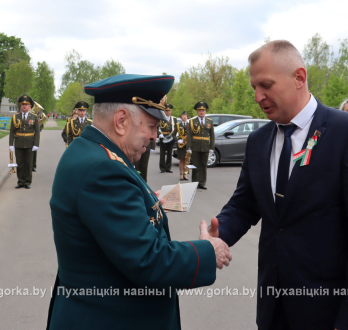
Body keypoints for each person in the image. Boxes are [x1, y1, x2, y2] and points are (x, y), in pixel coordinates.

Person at [209, 40, 348, 330]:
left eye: (266, 85)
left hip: (330, 313)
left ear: (299, 78)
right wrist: (217, 233)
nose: (258, 96)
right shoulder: (258, 141)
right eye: (254, 87)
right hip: (273, 308)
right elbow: (244, 204)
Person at [47, 74, 232, 330]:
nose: (155, 136)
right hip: (111, 318)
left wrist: (143, 201)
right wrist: (208, 251)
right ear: (121, 121)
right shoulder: (104, 169)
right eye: (151, 126)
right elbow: (149, 261)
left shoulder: (90, 149)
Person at [9, 95, 40, 190]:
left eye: (26, 104)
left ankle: (27, 182)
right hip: (18, 143)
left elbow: (37, 131)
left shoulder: (34, 117)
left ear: (30, 106)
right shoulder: (15, 117)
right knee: (20, 163)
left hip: (30, 144)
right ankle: (20, 181)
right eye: (22, 104)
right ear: (20, 105)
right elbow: (12, 131)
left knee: (28, 164)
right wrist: (11, 144)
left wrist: (36, 144)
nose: (24, 106)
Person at [186, 101, 215, 190]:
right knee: (195, 165)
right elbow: (189, 135)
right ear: (197, 111)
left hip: (205, 146)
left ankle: (202, 183)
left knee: (203, 165)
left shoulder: (209, 121)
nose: (201, 112)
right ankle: (194, 183)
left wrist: (212, 147)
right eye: (200, 110)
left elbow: (212, 135)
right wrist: (188, 147)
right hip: (195, 146)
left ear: (205, 111)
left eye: (203, 110)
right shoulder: (192, 121)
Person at [157, 103, 177, 173]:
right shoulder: (161, 118)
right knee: (162, 153)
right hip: (163, 137)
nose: (168, 112)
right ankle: (162, 168)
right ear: (164, 111)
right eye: (166, 111)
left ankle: (168, 167)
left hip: (170, 137)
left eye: (169, 111)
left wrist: (174, 136)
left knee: (169, 153)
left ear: (171, 111)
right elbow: (157, 127)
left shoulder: (174, 119)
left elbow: (176, 129)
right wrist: (160, 134)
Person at [176, 111, 190, 181]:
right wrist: (177, 140)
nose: (184, 117)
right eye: (183, 115)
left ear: (187, 117)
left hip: (188, 143)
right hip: (181, 144)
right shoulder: (178, 125)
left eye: (185, 116)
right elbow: (173, 134)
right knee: (181, 159)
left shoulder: (190, 125)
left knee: (186, 159)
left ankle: (185, 174)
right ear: (181, 117)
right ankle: (181, 174)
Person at [32, 107, 47, 172]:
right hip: (27, 136)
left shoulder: (37, 116)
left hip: (34, 136)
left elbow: (41, 126)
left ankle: (33, 166)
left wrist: (37, 131)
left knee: (34, 152)